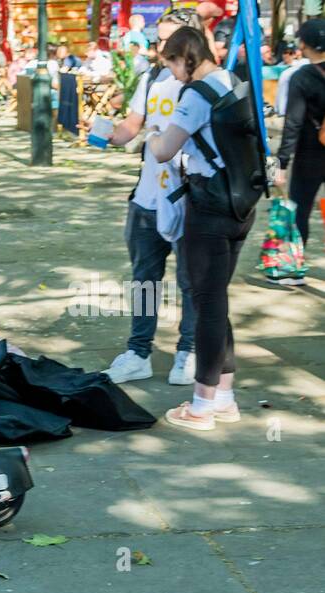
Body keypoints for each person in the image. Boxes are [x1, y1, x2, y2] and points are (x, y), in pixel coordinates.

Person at [147, 25, 253, 431]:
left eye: (171, 64)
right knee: (216, 301)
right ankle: (224, 397)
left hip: (208, 208)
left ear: (183, 57)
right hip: (241, 204)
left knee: (207, 306)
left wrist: (154, 132)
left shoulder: (194, 95)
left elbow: (165, 150)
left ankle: (201, 405)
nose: (172, 74)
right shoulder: (231, 79)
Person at [97, 8, 201, 386]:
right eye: (159, 39)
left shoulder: (210, 82)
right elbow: (133, 124)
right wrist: (108, 134)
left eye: (169, 40)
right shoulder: (153, 77)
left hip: (191, 199)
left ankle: (188, 351)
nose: (161, 47)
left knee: (192, 280)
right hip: (146, 197)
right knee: (144, 279)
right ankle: (139, 351)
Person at [274, 18, 325, 247]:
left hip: (309, 155)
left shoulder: (301, 77)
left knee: (300, 208)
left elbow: (293, 123)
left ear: (302, 45)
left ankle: (296, 263)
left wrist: (282, 163)